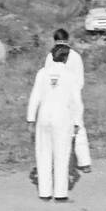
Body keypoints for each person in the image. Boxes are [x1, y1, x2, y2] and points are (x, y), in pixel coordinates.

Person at [27, 44, 84, 202]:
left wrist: (30, 119)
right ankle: (60, 193)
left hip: (44, 117)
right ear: (66, 58)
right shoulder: (70, 75)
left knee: (43, 153)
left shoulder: (42, 73)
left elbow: (35, 97)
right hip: (63, 117)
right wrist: (77, 121)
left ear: (52, 56)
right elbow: (76, 102)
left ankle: (44, 192)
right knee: (62, 155)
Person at [41, 29, 92, 174]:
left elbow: (47, 78)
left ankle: (59, 161)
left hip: (59, 98)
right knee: (78, 129)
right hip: (72, 97)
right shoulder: (75, 56)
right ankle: (84, 163)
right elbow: (80, 80)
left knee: (62, 129)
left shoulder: (51, 56)